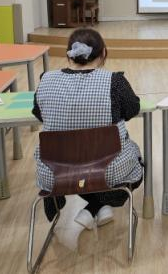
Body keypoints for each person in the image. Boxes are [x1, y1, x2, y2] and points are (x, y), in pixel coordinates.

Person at [33, 28, 143, 230]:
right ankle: (98, 205)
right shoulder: (115, 81)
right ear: (103, 53)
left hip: (56, 173)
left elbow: (40, 114)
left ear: (69, 54)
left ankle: (93, 207)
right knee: (134, 159)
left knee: (81, 166)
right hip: (108, 171)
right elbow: (132, 109)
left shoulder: (46, 80)